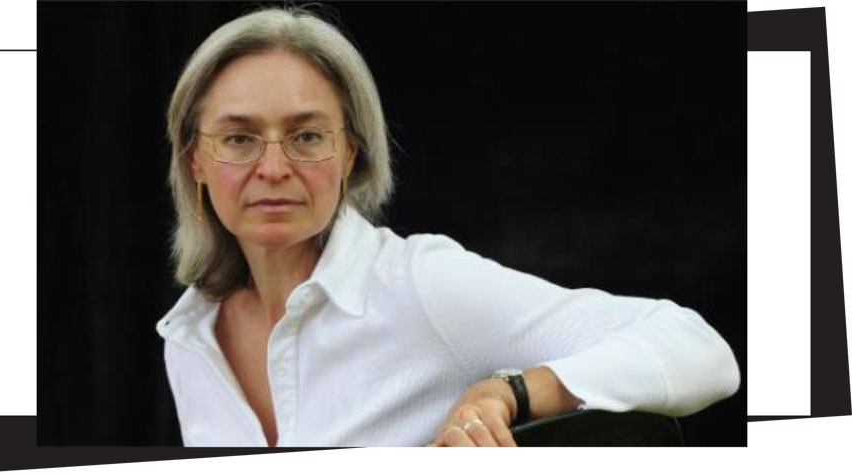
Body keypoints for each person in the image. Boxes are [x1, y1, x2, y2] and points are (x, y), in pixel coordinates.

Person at [155, 6, 740, 447]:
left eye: (307, 136)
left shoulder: (420, 285)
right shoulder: (189, 337)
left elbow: (699, 350)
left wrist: (510, 392)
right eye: (238, 138)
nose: (274, 168)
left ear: (351, 154)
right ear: (194, 161)